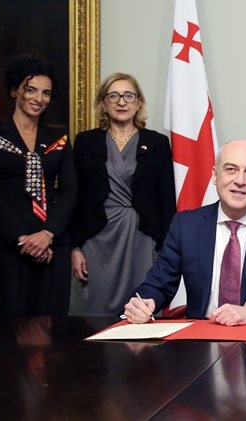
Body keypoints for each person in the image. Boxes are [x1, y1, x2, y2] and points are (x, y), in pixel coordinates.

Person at [123, 139, 246, 325]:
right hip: (200, 338)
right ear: (215, 175)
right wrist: (145, 303)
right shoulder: (186, 225)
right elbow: (158, 285)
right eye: (231, 169)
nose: (240, 180)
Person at [70, 73, 176, 316]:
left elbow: (166, 201)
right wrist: (74, 248)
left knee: (143, 309)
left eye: (129, 95)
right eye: (114, 96)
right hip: (98, 241)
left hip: (144, 240)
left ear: (139, 102)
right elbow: (76, 198)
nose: (121, 102)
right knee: (97, 313)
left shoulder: (157, 143)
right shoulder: (86, 142)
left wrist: (166, 251)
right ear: (103, 103)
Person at [0, 54, 76, 316]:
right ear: (15, 91)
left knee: (51, 329)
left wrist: (47, 234)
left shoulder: (59, 138)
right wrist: (21, 240)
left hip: (53, 246)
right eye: (31, 90)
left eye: (46, 93)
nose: (39, 98)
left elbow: (70, 190)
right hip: (8, 246)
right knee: (7, 331)